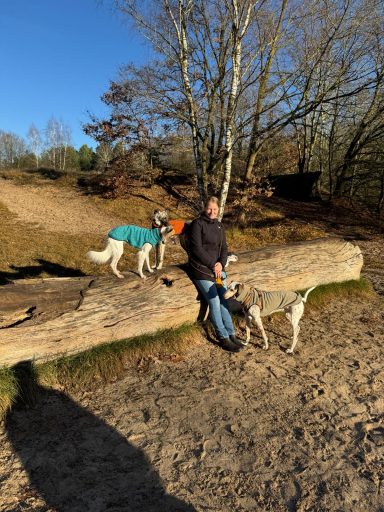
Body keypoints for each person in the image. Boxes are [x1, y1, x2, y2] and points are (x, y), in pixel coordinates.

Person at [189, 196, 243, 352]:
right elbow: (196, 249)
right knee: (214, 302)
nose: (212, 212)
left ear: (219, 210)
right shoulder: (197, 224)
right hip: (202, 269)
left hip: (218, 270)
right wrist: (213, 264)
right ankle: (222, 337)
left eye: (215, 209)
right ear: (205, 208)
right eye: (209, 208)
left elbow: (224, 249)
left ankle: (231, 334)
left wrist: (220, 262)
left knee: (224, 301)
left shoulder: (219, 226)